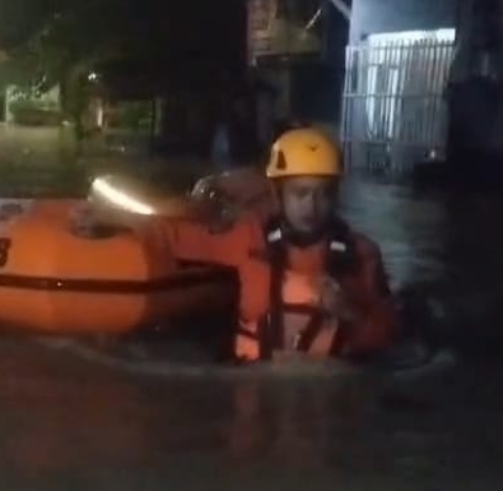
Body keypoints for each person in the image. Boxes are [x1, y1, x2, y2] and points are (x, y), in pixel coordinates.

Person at [83, 127, 399, 362]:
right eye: (299, 193)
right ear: (278, 194)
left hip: (329, 391)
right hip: (253, 388)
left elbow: (389, 336)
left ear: (336, 196)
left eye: (322, 193)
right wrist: (119, 217)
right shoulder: (249, 238)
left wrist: (350, 311)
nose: (311, 205)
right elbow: (177, 238)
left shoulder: (362, 254)